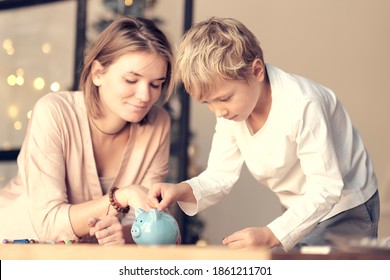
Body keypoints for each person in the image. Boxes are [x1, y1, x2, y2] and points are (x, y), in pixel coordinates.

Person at [147, 17, 380, 252]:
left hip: (346, 207)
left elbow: (326, 188)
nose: (218, 111)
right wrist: (180, 191)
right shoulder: (232, 114)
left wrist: (270, 234)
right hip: (301, 211)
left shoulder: (302, 105)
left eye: (225, 98)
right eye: (208, 102)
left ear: (256, 71)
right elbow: (220, 175)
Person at [0, 16, 175, 245]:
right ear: (97, 73)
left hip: (88, 258)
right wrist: (122, 196)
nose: (145, 96)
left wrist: (121, 233)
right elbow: (48, 224)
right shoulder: (53, 112)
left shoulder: (157, 124)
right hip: (20, 248)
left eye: (156, 84)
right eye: (131, 80)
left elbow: (150, 219)